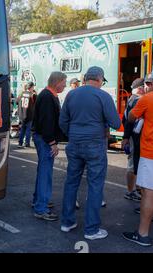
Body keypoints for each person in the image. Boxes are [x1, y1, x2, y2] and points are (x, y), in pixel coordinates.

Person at [59, 66, 121, 240]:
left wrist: (72, 134)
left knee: (71, 182)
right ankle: (91, 230)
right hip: (95, 144)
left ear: (86, 78)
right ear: (100, 79)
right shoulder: (103, 96)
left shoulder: (71, 94)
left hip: (75, 143)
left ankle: (67, 222)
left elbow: (63, 121)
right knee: (95, 185)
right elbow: (116, 123)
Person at [123, 67, 153, 247]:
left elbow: (130, 117)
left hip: (152, 154)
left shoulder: (147, 99)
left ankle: (142, 234)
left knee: (149, 193)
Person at [31, 72, 67, 221]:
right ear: (57, 82)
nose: (65, 85)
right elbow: (47, 122)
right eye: (64, 82)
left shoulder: (47, 95)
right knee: (45, 173)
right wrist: (52, 143)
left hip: (43, 138)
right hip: (45, 139)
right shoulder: (47, 96)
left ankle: (39, 201)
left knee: (43, 172)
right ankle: (41, 208)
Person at [122, 78, 145, 202]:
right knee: (133, 164)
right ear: (141, 88)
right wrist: (127, 137)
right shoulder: (137, 100)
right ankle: (131, 191)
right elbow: (129, 121)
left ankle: (133, 190)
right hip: (135, 137)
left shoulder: (131, 99)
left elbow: (125, 120)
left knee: (133, 163)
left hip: (132, 136)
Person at [17, 82, 36, 149]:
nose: (33, 88)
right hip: (29, 114)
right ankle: (27, 143)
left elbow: (17, 102)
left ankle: (20, 143)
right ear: (31, 87)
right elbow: (35, 104)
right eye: (33, 87)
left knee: (22, 129)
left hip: (22, 115)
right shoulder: (32, 95)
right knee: (28, 130)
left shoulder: (21, 94)